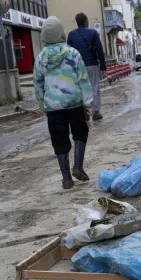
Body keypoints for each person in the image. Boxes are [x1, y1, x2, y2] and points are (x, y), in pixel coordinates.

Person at [34, 16, 93, 190]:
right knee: (80, 132)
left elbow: (38, 84)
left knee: (59, 140)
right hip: (74, 103)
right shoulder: (73, 53)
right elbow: (83, 79)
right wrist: (88, 103)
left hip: (53, 107)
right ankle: (78, 166)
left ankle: (66, 178)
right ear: (61, 32)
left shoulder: (40, 58)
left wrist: (42, 104)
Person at [67, 12, 106, 121]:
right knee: (94, 87)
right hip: (91, 64)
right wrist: (103, 67)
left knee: (80, 89)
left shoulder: (71, 35)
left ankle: (85, 111)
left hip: (77, 66)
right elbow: (99, 50)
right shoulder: (93, 33)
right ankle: (96, 112)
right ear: (86, 21)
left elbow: (68, 52)